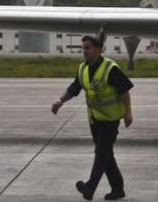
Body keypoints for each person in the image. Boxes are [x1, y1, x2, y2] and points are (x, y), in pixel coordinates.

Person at [52, 34, 133, 201]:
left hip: (111, 119)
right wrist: (60, 101)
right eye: (83, 48)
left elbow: (125, 90)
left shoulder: (110, 68)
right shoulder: (83, 68)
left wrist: (128, 112)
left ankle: (90, 187)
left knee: (101, 151)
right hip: (94, 119)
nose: (85, 51)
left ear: (98, 49)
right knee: (106, 155)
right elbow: (75, 88)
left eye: (88, 48)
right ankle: (118, 189)